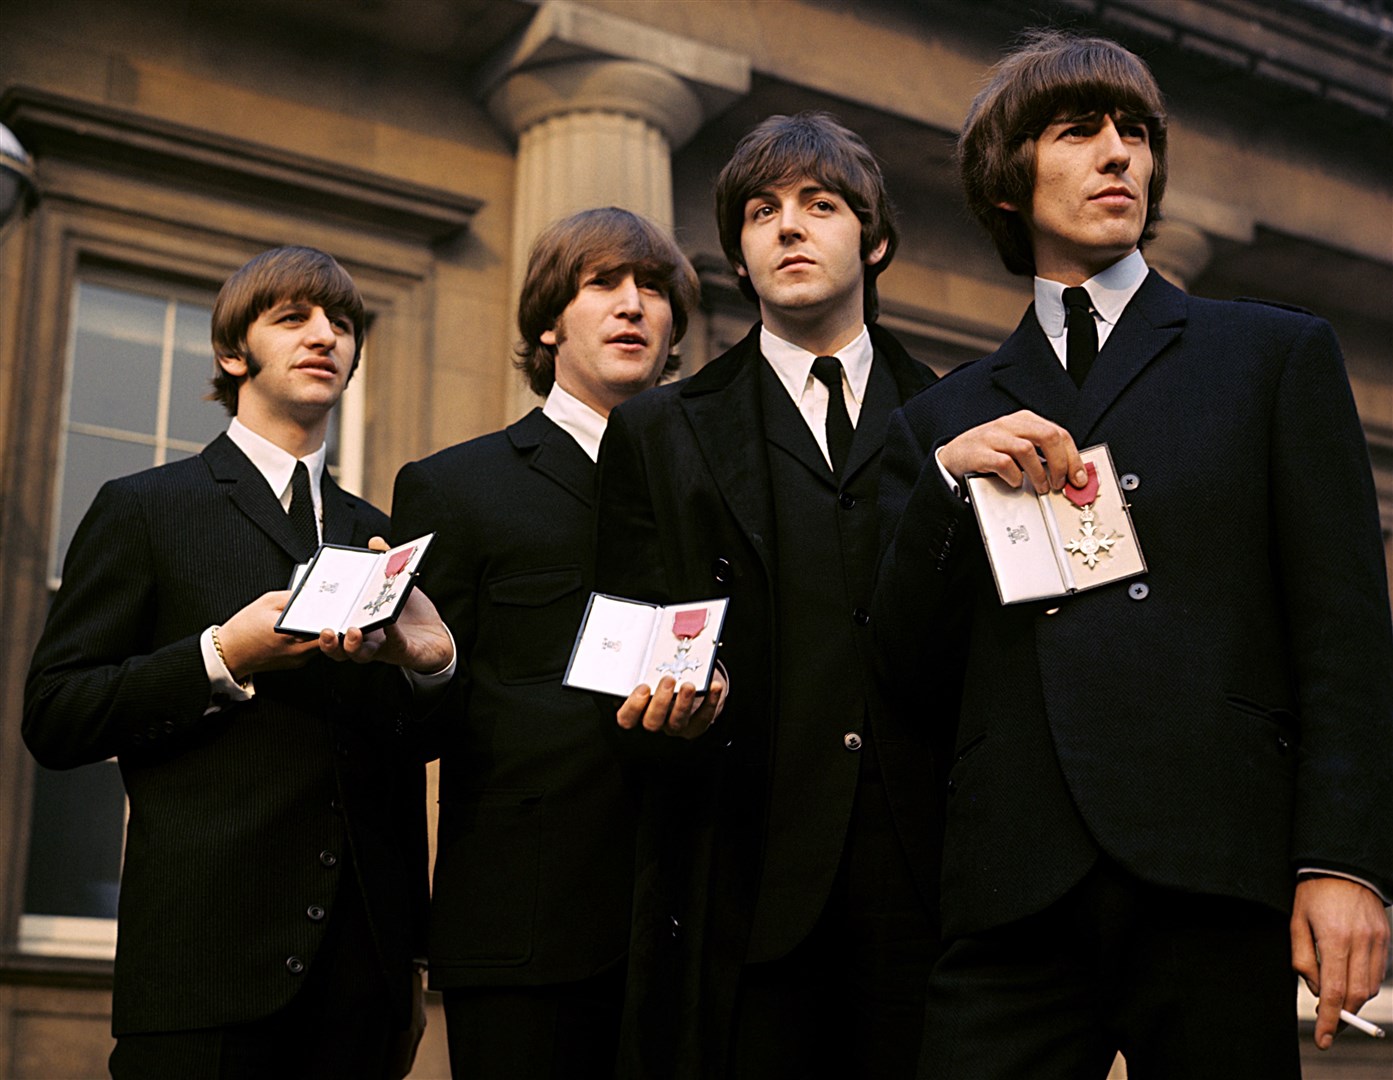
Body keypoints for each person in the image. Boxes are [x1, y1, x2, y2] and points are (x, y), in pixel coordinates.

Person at [875, 30, 1393, 1078]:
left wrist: (1344, 862)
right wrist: (942, 488)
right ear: (1009, 182)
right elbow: (904, 674)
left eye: (1135, 134)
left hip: (1209, 868)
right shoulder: (942, 414)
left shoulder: (1272, 356)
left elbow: (1343, 635)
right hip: (1010, 887)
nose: (1119, 154)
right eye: (1078, 133)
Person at [24, 245, 454, 1079]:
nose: (324, 335)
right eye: (292, 318)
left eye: (341, 323)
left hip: (363, 986)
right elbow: (56, 713)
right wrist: (221, 655)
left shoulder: (379, 533)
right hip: (203, 974)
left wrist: (431, 666)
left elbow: (411, 752)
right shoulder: (145, 509)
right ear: (233, 353)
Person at [594, 112, 943, 1078]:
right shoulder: (659, 431)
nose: (788, 227)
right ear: (739, 257)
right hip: (743, 891)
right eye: (761, 212)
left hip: (927, 894)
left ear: (872, 242)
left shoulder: (959, 415)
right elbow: (622, 647)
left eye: (819, 205)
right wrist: (671, 707)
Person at [390, 207, 700, 1079]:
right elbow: (405, 735)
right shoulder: (456, 486)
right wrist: (431, 668)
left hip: (696, 925)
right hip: (524, 933)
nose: (634, 305)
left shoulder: (716, 487)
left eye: (654, 290)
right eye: (603, 284)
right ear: (548, 321)